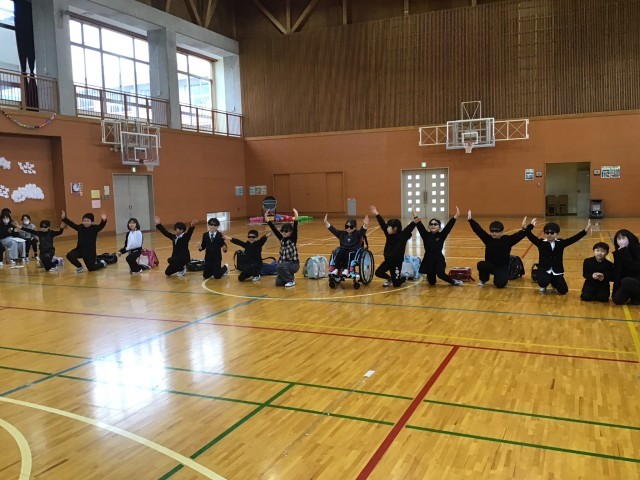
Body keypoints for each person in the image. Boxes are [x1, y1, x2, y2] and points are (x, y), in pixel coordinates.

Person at [468, 211, 532, 288]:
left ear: (502, 232)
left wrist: (529, 226)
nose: (494, 233)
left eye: (496, 231)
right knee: (481, 265)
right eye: (492, 231)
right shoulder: (488, 239)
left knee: (500, 284)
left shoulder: (508, 240)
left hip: (502, 267)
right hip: (490, 265)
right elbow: (478, 230)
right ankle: (484, 280)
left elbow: (520, 235)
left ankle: (502, 277)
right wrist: (470, 220)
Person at [526, 219, 590, 294]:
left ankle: (553, 282)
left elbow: (573, 239)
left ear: (557, 233)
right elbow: (530, 235)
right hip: (544, 269)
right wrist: (530, 226)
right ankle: (544, 284)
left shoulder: (561, 243)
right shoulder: (541, 243)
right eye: (547, 232)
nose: (549, 234)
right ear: (544, 233)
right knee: (543, 282)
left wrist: (585, 231)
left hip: (557, 270)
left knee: (563, 291)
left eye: (552, 233)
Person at [414, 206, 462, 286]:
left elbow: (448, 227)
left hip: (439, 259)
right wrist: (414, 214)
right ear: (429, 226)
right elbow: (419, 225)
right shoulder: (425, 235)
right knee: (432, 282)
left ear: (439, 227)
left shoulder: (441, 235)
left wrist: (455, 217)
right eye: (431, 224)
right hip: (429, 260)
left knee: (440, 274)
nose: (433, 225)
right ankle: (430, 275)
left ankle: (453, 281)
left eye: (435, 224)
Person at [371, 205, 416, 287]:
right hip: (388, 261)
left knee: (397, 284)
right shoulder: (388, 234)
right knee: (378, 273)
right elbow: (382, 224)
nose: (387, 228)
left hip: (396, 263)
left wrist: (414, 215)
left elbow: (410, 227)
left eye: (389, 227)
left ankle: (405, 276)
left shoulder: (403, 236)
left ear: (395, 228)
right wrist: (376, 213)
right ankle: (390, 278)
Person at [324, 213, 368, 280]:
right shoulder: (342, 234)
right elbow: (333, 230)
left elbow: (362, 231)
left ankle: (347, 270)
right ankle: (336, 269)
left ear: (355, 228)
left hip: (353, 251)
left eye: (351, 227)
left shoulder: (357, 234)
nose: (348, 228)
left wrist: (365, 225)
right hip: (343, 249)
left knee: (349, 253)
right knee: (339, 252)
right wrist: (326, 223)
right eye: (347, 226)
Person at [266, 208, 300, 287]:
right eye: (282, 231)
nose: (283, 232)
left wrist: (296, 217)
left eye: (286, 231)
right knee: (278, 283)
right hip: (284, 264)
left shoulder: (293, 239)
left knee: (279, 266)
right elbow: (274, 229)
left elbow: (295, 228)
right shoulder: (282, 239)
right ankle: (290, 275)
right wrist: (267, 219)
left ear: (290, 232)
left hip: (293, 264)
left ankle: (290, 281)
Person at [612, 229, 640, 305]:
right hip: (627, 282)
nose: (621, 241)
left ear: (629, 238)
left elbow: (635, 268)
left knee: (626, 281)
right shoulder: (619, 252)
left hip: (637, 279)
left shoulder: (637, 249)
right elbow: (618, 273)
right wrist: (615, 292)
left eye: (624, 238)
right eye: (619, 239)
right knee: (617, 299)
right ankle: (634, 296)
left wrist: (625, 253)